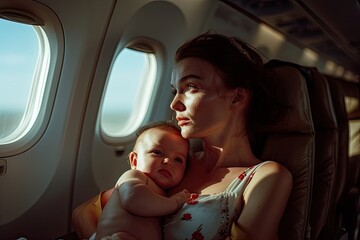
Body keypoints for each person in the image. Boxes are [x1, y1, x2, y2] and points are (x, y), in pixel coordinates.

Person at [72, 32, 293, 240]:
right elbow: (84, 214)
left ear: (236, 98)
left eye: (191, 87)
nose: (174, 103)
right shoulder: (175, 161)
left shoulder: (266, 177)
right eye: (174, 90)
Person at [91, 121, 191, 240]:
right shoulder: (135, 176)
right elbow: (133, 198)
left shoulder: (164, 193)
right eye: (158, 152)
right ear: (134, 160)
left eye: (178, 160)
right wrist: (175, 202)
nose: (168, 161)